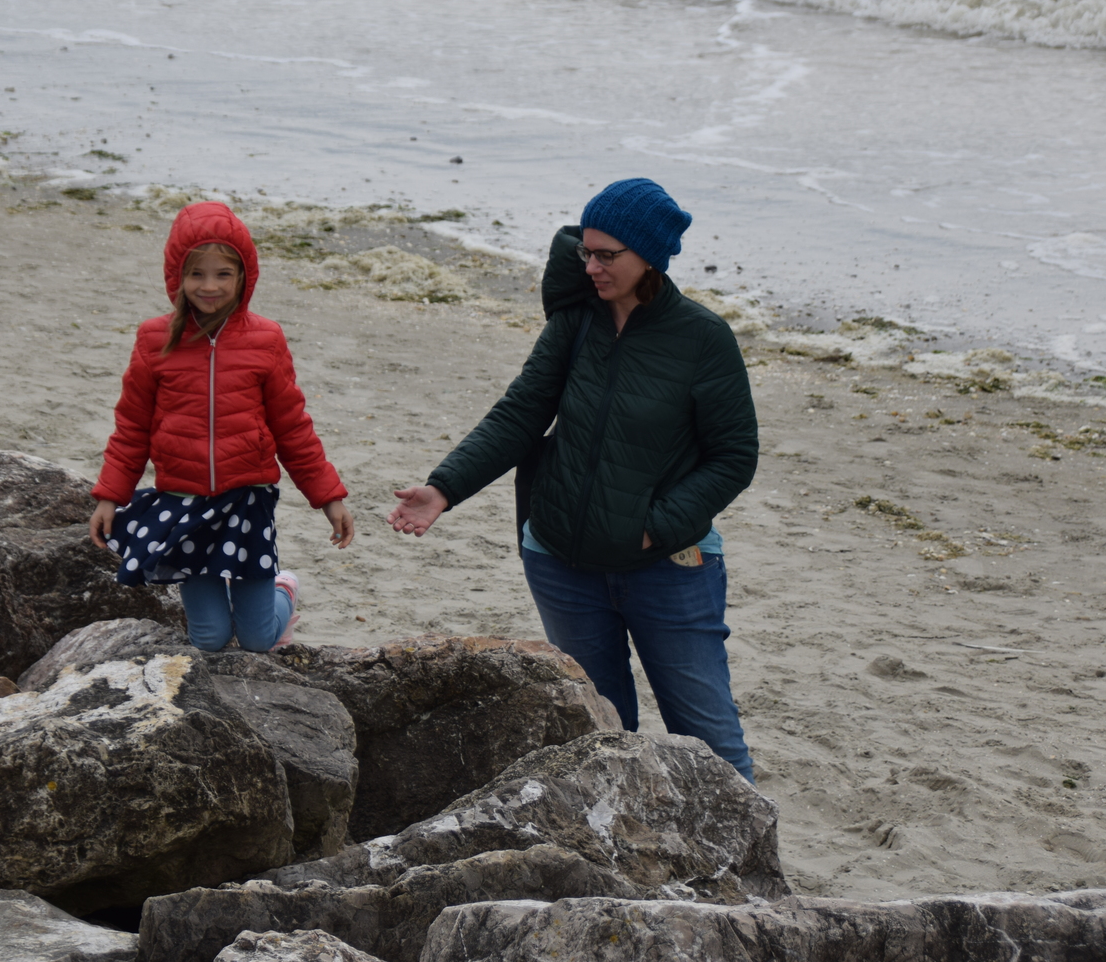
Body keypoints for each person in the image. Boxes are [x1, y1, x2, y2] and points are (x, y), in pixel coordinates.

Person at [387, 178, 758, 781]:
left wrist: (654, 528)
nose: (591, 267)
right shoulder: (577, 321)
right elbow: (520, 414)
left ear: (649, 255)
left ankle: (749, 848)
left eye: (607, 255)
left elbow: (734, 456)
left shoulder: (702, 338)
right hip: (562, 562)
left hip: (668, 568)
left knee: (711, 742)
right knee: (601, 735)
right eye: (586, 251)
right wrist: (444, 489)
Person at [89, 201, 355, 652]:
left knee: (256, 639)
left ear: (244, 276)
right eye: (196, 274)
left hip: (246, 504)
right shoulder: (154, 339)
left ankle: (283, 590)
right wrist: (110, 496)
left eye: (223, 274)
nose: (209, 286)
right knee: (209, 639)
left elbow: (292, 426)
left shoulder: (266, 338)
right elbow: (131, 426)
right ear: (176, 276)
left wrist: (329, 498)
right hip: (185, 506)